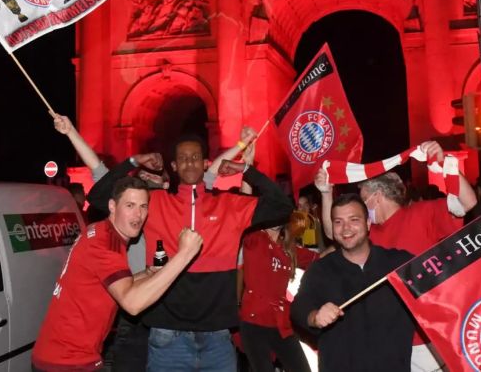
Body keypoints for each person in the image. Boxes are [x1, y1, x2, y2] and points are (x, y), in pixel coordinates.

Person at [86, 131, 294, 372]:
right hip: (167, 339)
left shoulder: (230, 205)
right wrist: (134, 161)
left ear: (206, 164)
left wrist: (245, 169)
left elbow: (282, 207)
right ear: (173, 166)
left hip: (217, 340)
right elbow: (99, 197)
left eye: (195, 157)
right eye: (183, 158)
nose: (189, 162)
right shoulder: (155, 202)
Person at [315, 140, 475, 372]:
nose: (360, 203)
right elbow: (334, 233)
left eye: (362, 197)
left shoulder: (422, 214)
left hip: (427, 337)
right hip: (385, 340)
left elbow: (467, 203)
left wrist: (444, 162)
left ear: (376, 196)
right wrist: (326, 193)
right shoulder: (369, 233)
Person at [32, 176, 203, 371]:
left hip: (61, 356)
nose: (138, 215)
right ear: (112, 206)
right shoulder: (105, 244)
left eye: (143, 206)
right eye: (130, 205)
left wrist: (149, 273)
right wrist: (185, 254)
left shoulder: (100, 231)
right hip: (67, 361)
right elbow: (132, 303)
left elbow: (114, 284)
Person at [291, 193, 414, 371]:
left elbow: (438, 290)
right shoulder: (321, 270)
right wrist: (315, 316)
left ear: (368, 223)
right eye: (338, 222)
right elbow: (299, 307)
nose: (345, 228)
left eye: (354, 220)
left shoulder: (399, 263)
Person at [238, 211, 316, 372]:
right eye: (272, 208)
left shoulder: (288, 248)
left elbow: (320, 259)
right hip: (254, 320)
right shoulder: (254, 238)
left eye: (278, 209)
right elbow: (244, 209)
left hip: (281, 322)